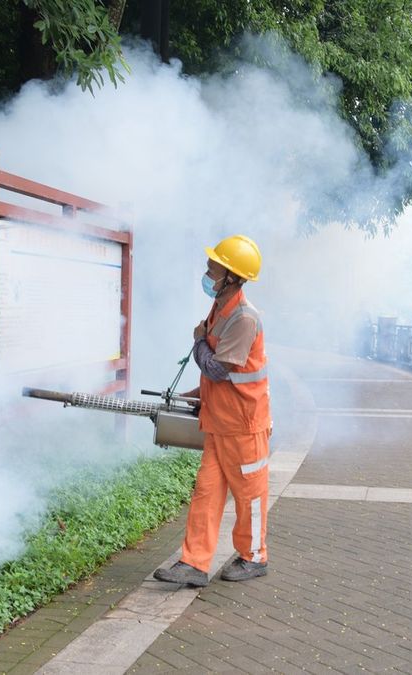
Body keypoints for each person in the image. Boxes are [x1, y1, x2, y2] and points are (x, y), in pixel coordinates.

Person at [154, 234, 271, 587]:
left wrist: (198, 341)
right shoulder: (220, 307)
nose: (207, 274)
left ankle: (254, 557)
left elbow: (218, 369)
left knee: (249, 496)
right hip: (220, 423)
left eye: (213, 269)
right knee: (206, 493)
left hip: (244, 426)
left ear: (231, 277)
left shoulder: (244, 318)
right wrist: (195, 396)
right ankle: (193, 563)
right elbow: (218, 377)